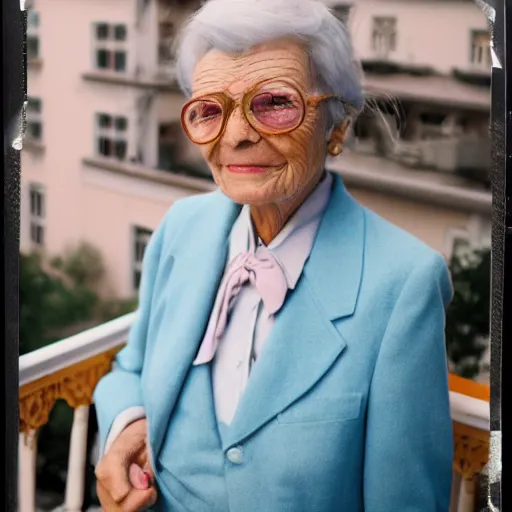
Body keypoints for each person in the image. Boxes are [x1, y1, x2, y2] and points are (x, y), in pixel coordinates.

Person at [93, 0, 454, 510]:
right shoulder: (181, 229)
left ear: (337, 127)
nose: (236, 136)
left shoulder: (404, 285)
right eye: (209, 111)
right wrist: (127, 425)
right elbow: (129, 369)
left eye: (274, 103)